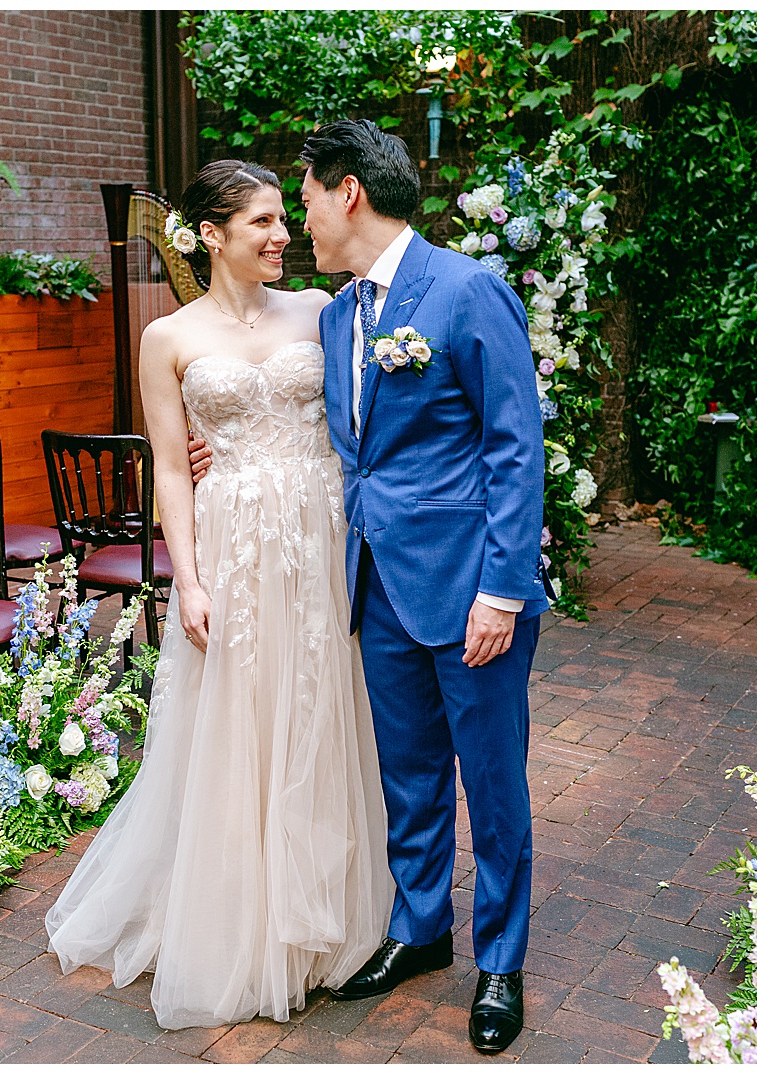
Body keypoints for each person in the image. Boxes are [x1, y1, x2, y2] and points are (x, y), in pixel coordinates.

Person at [44, 159, 394, 1030]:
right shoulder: (167, 337)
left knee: (321, 708)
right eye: (263, 224)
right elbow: (170, 464)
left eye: (285, 219)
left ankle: (328, 912)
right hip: (234, 541)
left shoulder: (324, 311)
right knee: (243, 719)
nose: (283, 236)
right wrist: (188, 580)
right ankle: (242, 919)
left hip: (321, 532)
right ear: (211, 235)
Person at [300, 119, 547, 1055]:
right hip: (380, 587)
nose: (302, 222)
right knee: (407, 777)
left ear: (349, 191)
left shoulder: (467, 290)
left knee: (493, 782)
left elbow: (514, 448)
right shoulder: (334, 316)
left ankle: (502, 962)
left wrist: (504, 589)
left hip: (471, 590)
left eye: (310, 197)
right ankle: (419, 932)